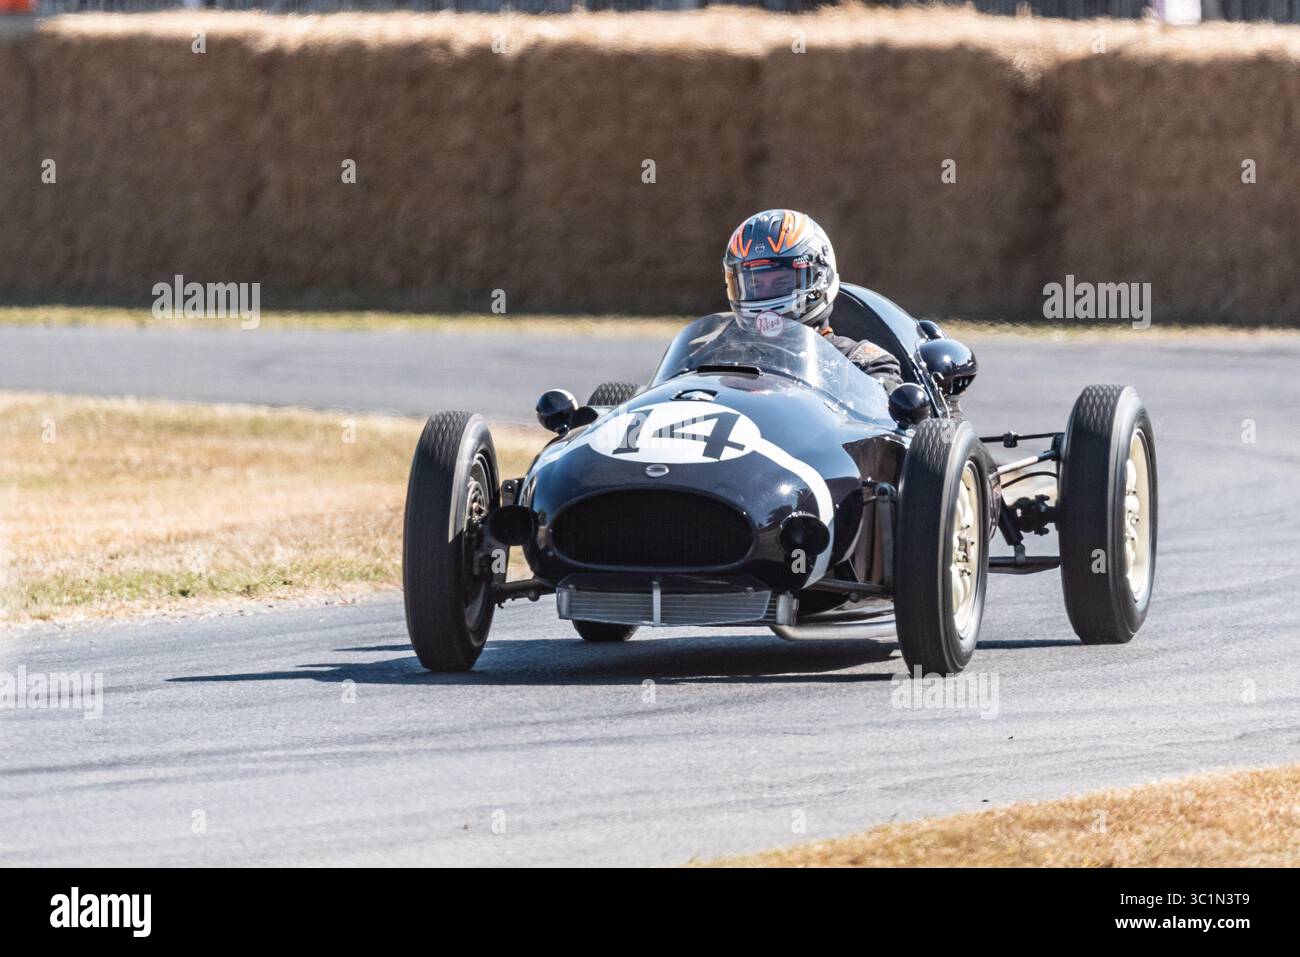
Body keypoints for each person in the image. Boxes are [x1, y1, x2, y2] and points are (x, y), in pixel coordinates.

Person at [722, 209, 904, 392]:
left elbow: (887, 414)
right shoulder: (722, 363)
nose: (768, 295)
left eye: (781, 283)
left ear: (821, 276)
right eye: (756, 287)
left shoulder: (863, 365)